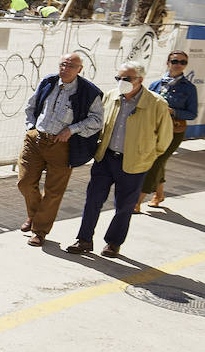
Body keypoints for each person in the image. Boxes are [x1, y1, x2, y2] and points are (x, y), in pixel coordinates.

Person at [65, 60, 172, 257]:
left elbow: (164, 139)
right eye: (119, 78)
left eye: (127, 78)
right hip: (105, 158)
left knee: (125, 206)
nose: (122, 82)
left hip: (134, 163)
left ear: (140, 80)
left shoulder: (156, 104)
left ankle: (113, 243)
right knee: (93, 200)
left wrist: (146, 157)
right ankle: (84, 239)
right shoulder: (111, 96)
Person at [17, 53, 104, 246]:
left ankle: (39, 231)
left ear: (80, 69)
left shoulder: (89, 92)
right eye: (63, 64)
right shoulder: (48, 82)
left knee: (53, 191)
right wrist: (31, 127)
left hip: (63, 145)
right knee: (24, 182)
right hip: (36, 139)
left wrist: (72, 130)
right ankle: (35, 215)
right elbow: (31, 106)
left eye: (71, 66)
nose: (65, 68)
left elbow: (97, 120)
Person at [137, 51, 197, 211]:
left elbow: (192, 114)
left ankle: (138, 200)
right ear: (168, 63)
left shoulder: (189, 88)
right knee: (159, 161)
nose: (178, 65)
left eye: (183, 62)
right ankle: (159, 194)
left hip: (173, 131)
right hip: (153, 129)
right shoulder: (156, 85)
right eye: (175, 61)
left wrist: (173, 111)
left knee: (156, 162)